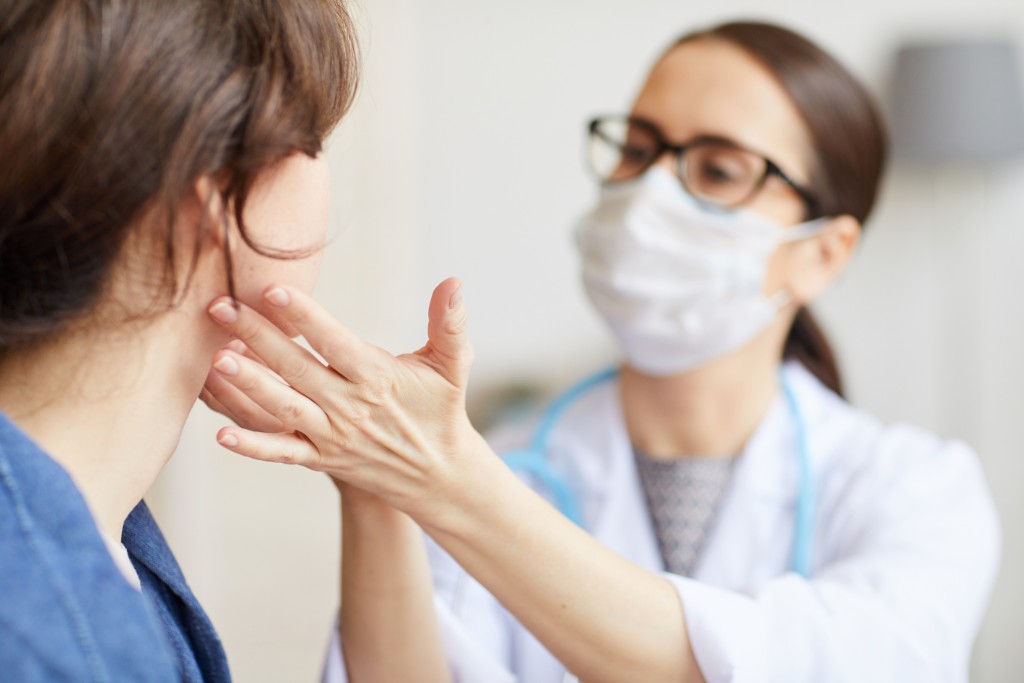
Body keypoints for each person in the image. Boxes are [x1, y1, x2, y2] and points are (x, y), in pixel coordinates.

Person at [201, 21, 1001, 683]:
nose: (650, 193)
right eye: (639, 148)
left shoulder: (920, 494)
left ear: (823, 252)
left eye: (718, 168)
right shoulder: (512, 466)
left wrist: (442, 476)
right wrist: (375, 486)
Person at [0, 1, 358, 679]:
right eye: (313, 140)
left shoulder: (99, 535)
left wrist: (380, 486)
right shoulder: (37, 636)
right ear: (218, 200)